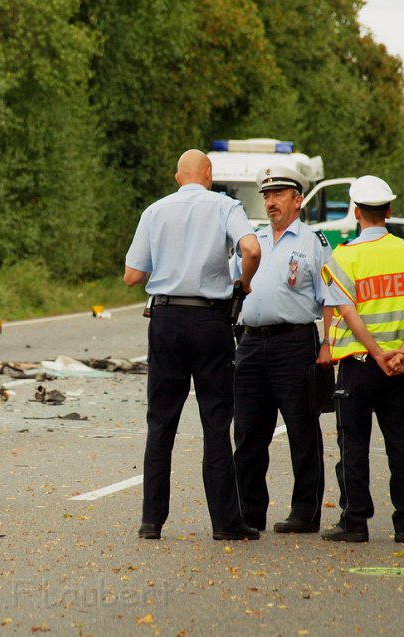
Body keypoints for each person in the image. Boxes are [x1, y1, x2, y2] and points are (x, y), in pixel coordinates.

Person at [124, 149, 262, 541]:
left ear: (176, 177)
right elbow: (251, 249)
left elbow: (132, 276)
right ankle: (225, 522)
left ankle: (152, 522)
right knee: (215, 422)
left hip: (166, 320)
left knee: (161, 421)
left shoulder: (154, 212)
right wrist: (246, 283)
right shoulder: (225, 206)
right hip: (209, 320)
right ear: (209, 174)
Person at [320, 175, 404, 543]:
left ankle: (355, 522)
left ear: (355, 212)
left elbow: (348, 314)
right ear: (389, 210)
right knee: (400, 444)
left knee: (353, 445)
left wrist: (377, 353)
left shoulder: (343, 257)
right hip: (402, 369)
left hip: (359, 368)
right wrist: (400, 352)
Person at [231, 166, 332, 535]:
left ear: (297, 200)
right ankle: (249, 512)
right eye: (267, 196)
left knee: (302, 430)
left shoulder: (313, 242)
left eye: (279, 195)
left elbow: (331, 299)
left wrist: (328, 343)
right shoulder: (253, 240)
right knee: (248, 432)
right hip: (252, 343)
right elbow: (231, 283)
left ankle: (304, 512)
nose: (271, 202)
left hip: (294, 342)